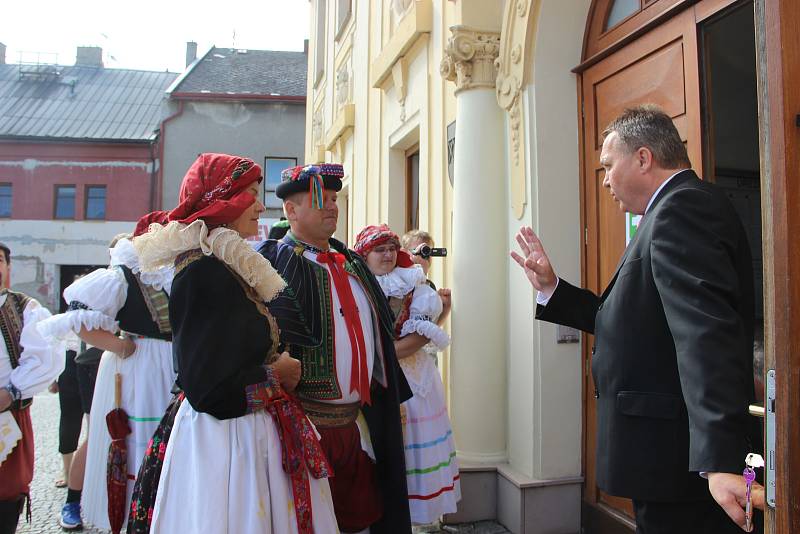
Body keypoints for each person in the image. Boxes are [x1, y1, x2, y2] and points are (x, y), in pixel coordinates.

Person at [511, 105, 762, 534]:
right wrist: (553, 288)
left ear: (643, 158)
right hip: (665, 458)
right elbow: (632, 321)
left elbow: (706, 334)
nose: (605, 179)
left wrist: (720, 459)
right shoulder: (671, 211)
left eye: (608, 165)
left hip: (680, 462)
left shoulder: (681, 210)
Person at [131, 153, 337, 533]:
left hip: (245, 436)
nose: (261, 205)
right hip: (224, 446)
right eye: (252, 195)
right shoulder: (201, 272)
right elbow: (206, 389)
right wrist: (276, 374)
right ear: (222, 202)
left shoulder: (226, 263)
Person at [258, 163, 413, 534]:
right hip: (303, 427)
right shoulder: (271, 265)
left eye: (334, 199)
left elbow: (379, 340)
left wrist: (395, 399)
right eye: (321, 200)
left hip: (357, 425)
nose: (332, 207)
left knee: (361, 519)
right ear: (291, 211)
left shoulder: (353, 264)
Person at [38, 234, 176, 531]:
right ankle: (85, 503)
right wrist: (120, 346)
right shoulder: (121, 276)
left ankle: (156, 512)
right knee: (118, 436)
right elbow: (79, 321)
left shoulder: (169, 274)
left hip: (168, 368)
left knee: (164, 442)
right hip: (137, 366)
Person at [356, 225, 460, 526]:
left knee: (411, 451)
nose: (388, 254)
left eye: (391, 248)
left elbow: (420, 337)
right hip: (373, 382)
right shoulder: (357, 285)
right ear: (365, 255)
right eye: (380, 249)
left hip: (413, 382)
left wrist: (377, 356)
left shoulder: (414, 285)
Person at [0, 242, 63, 534]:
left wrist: (10, 392)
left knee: (6, 494)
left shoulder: (25, 309)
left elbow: (47, 358)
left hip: (6, 417)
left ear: (7, 267)